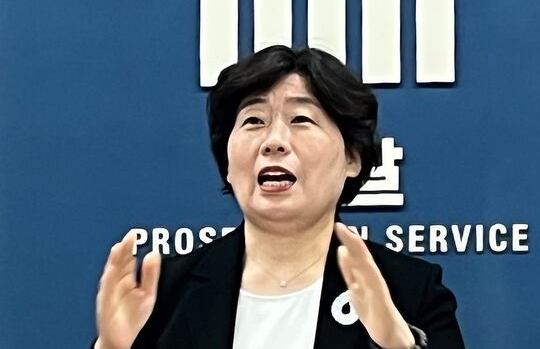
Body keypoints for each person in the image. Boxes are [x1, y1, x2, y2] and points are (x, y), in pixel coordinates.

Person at [93, 46, 465, 349]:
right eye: (254, 121)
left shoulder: (410, 291)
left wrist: (398, 345)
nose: (273, 141)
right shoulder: (164, 296)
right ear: (227, 162)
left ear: (352, 157)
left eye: (301, 119)